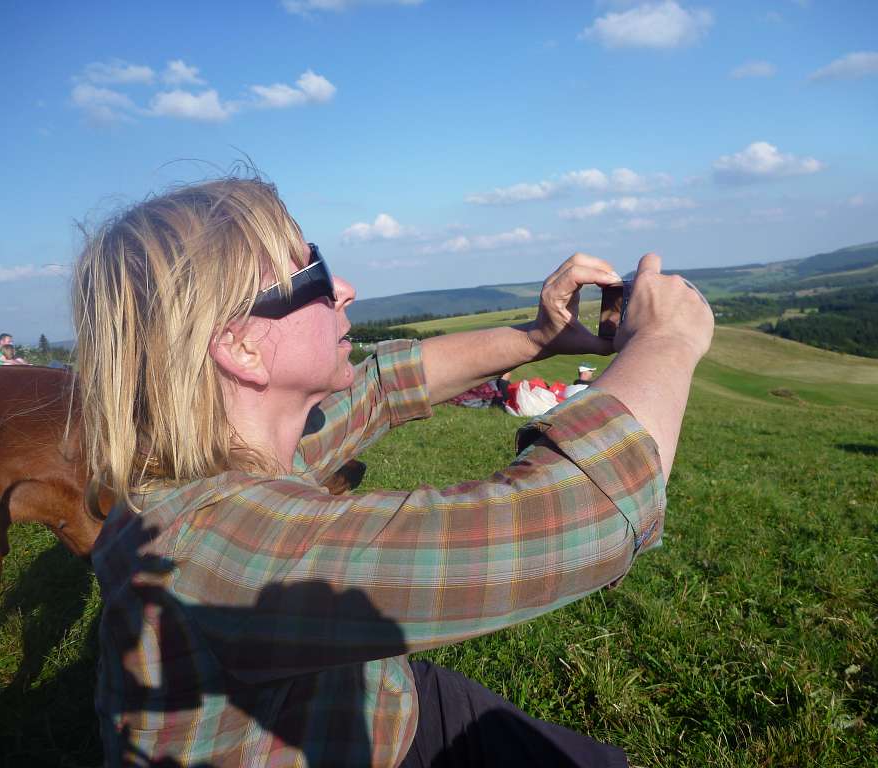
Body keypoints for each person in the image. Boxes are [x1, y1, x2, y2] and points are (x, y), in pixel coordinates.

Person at [74, 175, 713, 768]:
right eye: (311, 272)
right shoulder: (218, 545)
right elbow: (579, 518)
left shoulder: (224, 451)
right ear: (240, 347)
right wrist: (667, 340)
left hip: (379, 700)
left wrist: (539, 336)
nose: (344, 288)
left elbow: (382, 385)